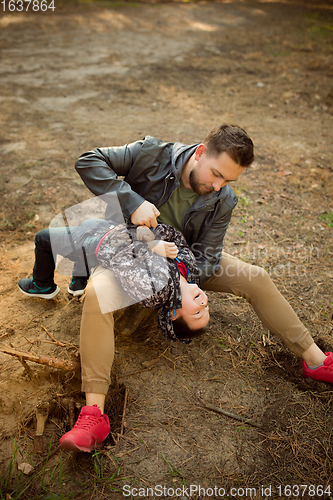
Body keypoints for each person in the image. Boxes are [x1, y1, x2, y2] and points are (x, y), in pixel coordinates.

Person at [49, 124, 333, 453]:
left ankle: (316, 361)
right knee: (97, 293)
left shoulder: (223, 199)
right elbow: (88, 161)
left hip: (185, 263)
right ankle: (93, 415)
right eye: (215, 174)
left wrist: (178, 281)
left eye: (227, 180)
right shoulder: (151, 153)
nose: (218, 186)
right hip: (127, 255)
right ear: (199, 152)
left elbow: (208, 258)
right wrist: (132, 201)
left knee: (255, 276)